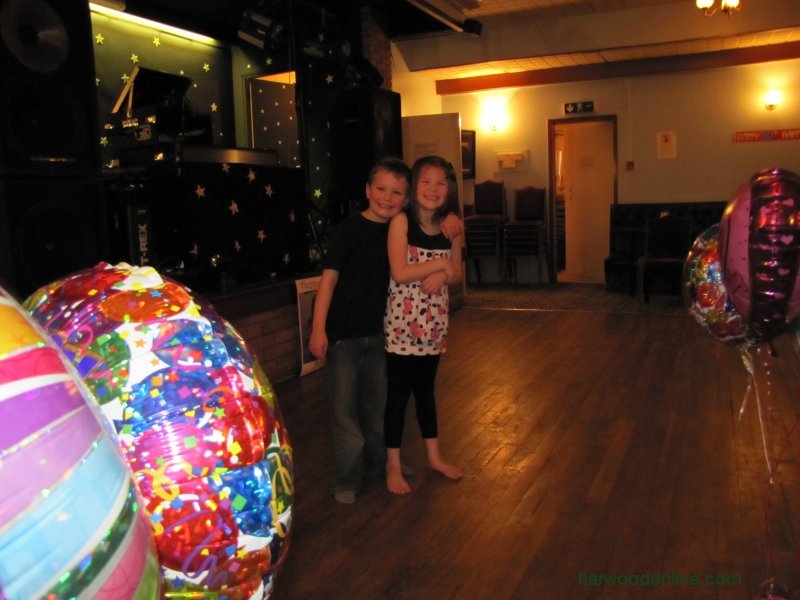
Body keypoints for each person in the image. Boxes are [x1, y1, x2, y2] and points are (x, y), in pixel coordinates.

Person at [309, 156, 462, 504]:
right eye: (380, 189)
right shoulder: (352, 229)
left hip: (381, 332)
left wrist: (450, 225)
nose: (387, 197)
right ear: (367, 190)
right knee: (345, 410)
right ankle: (347, 477)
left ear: (405, 199)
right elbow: (329, 281)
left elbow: (445, 250)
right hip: (347, 333)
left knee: (380, 404)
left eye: (396, 192)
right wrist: (319, 330)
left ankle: (382, 463)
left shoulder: (405, 224)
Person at [383, 155, 464, 495]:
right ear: (415, 186)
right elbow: (400, 271)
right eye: (426, 181)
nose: (433, 189)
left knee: (427, 393)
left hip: (432, 325)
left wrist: (445, 270)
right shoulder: (401, 222)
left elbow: (457, 274)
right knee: (398, 396)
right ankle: (392, 465)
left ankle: (434, 457)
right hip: (402, 325)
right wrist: (439, 266)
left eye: (441, 182)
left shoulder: (452, 226)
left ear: (450, 189)